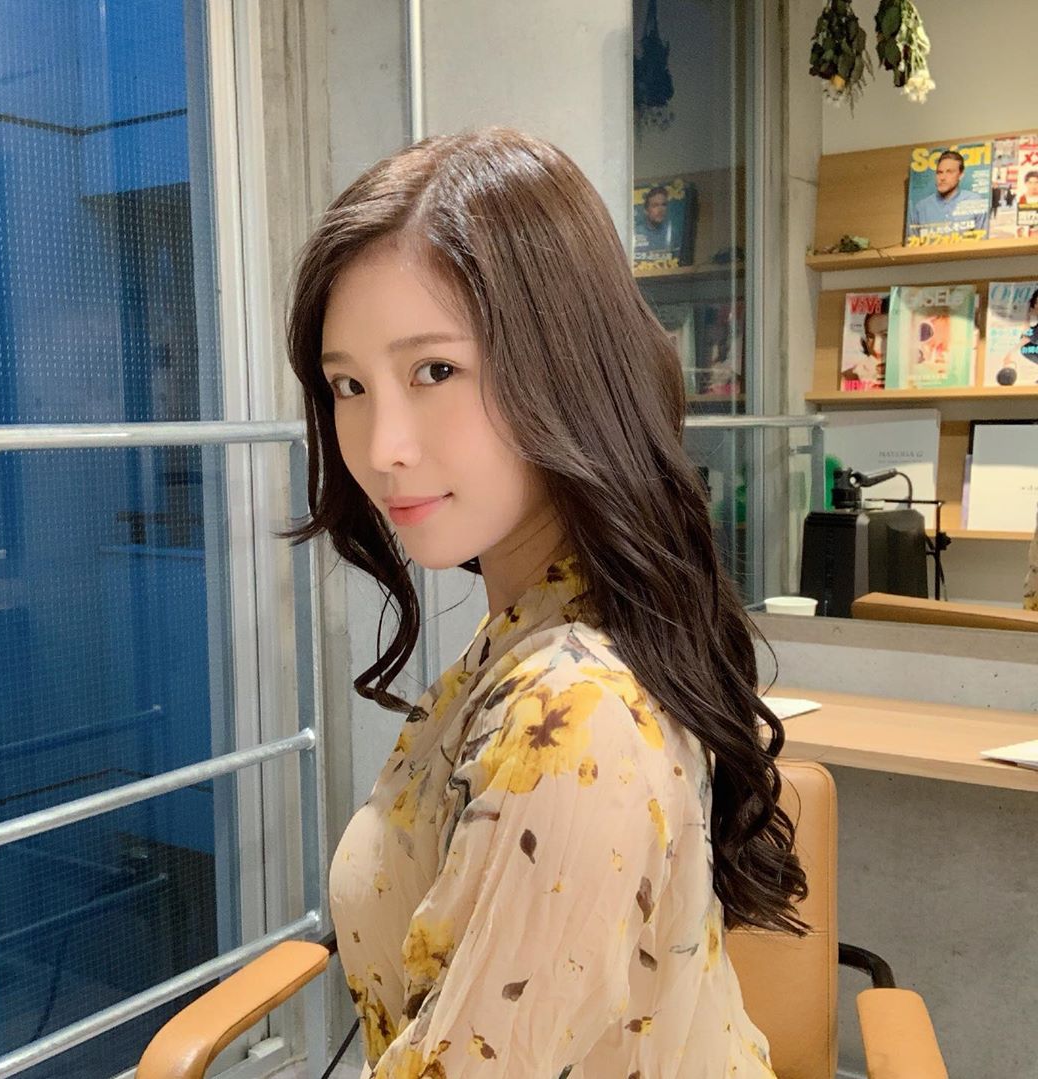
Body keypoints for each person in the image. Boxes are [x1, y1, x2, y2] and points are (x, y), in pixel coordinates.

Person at [285, 127, 806, 1078]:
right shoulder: (537, 627)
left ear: (565, 364)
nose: (382, 444)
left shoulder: (575, 716)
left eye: (434, 371)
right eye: (348, 385)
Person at [907, 149, 990, 241]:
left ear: (961, 175)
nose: (942, 178)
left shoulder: (975, 201)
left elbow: (983, 242)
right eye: (939, 172)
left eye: (949, 172)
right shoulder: (920, 208)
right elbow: (912, 245)